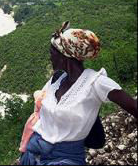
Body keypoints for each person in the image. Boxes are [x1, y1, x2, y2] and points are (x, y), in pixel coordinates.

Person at [19, 21, 137, 165]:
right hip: (33, 153)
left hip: (64, 159)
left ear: (64, 56)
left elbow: (133, 106)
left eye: (52, 53)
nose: (50, 58)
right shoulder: (57, 81)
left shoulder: (96, 82)